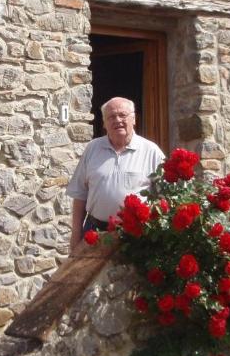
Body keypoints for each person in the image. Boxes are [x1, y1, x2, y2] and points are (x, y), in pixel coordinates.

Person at [67, 96, 165, 247]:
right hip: (95, 232)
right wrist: (75, 235)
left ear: (134, 119)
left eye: (122, 115)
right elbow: (80, 194)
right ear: (105, 123)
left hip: (136, 235)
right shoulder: (93, 148)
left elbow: (164, 196)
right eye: (111, 117)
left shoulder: (151, 151)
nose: (117, 120)